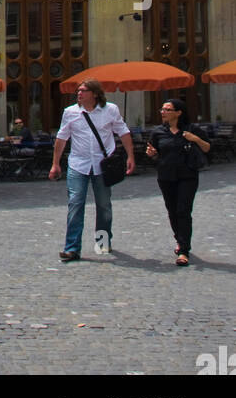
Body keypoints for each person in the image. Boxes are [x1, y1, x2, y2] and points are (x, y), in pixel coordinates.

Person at [50, 79, 134, 261]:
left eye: (84, 91)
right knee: (75, 203)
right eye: (78, 91)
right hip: (78, 164)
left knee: (103, 206)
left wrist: (130, 156)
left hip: (102, 165)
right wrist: (55, 163)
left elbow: (123, 131)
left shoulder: (110, 110)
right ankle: (72, 248)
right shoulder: (70, 112)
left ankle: (103, 243)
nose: (79, 94)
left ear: (95, 94)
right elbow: (62, 138)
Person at [146, 98, 211, 265]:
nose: (163, 112)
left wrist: (194, 139)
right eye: (162, 109)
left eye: (167, 109)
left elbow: (207, 148)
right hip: (166, 176)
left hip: (187, 175)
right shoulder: (158, 132)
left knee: (183, 210)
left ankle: (184, 250)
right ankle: (179, 239)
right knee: (172, 211)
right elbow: (154, 153)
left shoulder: (192, 129)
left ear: (178, 112)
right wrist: (151, 153)